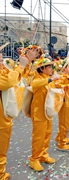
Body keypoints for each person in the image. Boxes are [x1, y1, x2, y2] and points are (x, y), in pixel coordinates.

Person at [0, 43, 41, 179]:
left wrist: (27, 60)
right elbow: (9, 81)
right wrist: (22, 65)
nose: (2, 63)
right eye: (0, 60)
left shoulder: (2, 70)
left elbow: (18, 76)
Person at [29, 58, 60, 171]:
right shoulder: (37, 78)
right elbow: (34, 84)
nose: (51, 69)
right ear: (42, 68)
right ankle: (34, 159)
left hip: (48, 112)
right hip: (38, 113)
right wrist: (51, 79)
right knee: (38, 137)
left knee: (47, 134)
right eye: (49, 67)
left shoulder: (48, 78)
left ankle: (43, 155)